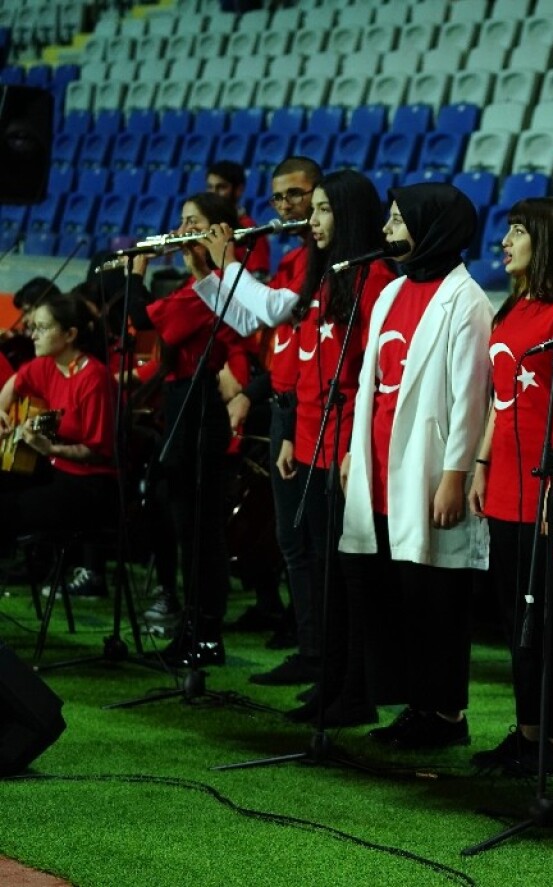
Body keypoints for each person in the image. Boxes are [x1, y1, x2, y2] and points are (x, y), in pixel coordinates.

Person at [339, 183, 492, 749]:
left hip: (428, 472)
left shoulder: (467, 300)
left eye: (399, 221)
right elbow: (367, 382)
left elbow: (471, 398)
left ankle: (446, 716)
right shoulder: (389, 292)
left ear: (432, 228)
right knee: (394, 595)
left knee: (436, 599)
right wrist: (356, 450)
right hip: (380, 466)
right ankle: (413, 705)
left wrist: (455, 475)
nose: (387, 231)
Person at [258, 170, 398, 727]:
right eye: (310, 210)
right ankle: (331, 682)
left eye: (321, 210)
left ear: (349, 214)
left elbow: (373, 374)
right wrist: (293, 430)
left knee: (347, 577)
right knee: (319, 567)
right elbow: (310, 361)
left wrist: (353, 448)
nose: (310, 222)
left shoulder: (375, 277)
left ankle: (355, 690)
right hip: (312, 437)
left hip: (345, 445)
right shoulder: (326, 274)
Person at [467, 197, 553, 775]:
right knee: (515, 612)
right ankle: (527, 731)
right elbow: (500, 398)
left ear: (545, 241)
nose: (506, 240)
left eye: (519, 231)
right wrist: (482, 464)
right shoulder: (513, 308)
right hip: (504, 484)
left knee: (550, 615)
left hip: (546, 483)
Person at [189, 156, 322, 655]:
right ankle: (306, 648)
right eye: (279, 197)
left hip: (304, 406)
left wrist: (225, 263)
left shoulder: (316, 259)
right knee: (293, 542)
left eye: (297, 195)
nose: (286, 206)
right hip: (286, 402)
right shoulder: (293, 259)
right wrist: (205, 274)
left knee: (303, 543)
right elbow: (248, 323)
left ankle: (313, 651)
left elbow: (269, 308)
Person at [127, 192, 247, 668]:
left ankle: (206, 633)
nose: (180, 231)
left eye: (191, 224)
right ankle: (192, 627)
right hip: (182, 403)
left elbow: (145, 322)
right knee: (182, 521)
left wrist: (137, 271)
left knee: (200, 530)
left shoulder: (216, 288)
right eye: (180, 222)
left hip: (200, 410)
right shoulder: (199, 285)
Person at [0, 292, 116, 542]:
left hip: (88, 482)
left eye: (42, 328)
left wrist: (50, 448)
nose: (33, 336)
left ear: (70, 335)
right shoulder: (47, 364)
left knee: (8, 508)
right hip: (52, 469)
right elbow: (15, 382)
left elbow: (97, 452)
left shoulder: (94, 378)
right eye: (33, 327)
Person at [206, 159, 270, 279]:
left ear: (239, 190)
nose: (213, 193)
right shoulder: (206, 226)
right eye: (210, 187)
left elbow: (259, 279)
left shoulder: (251, 230)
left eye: (221, 187)